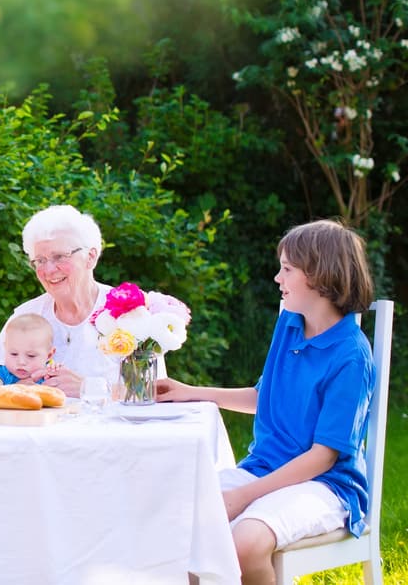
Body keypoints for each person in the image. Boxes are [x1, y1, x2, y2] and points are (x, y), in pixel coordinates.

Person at [156, 219, 375, 585]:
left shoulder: (351, 356)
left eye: (287, 269)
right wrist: (190, 390)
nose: (277, 278)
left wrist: (245, 496)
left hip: (326, 485)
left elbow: (324, 456)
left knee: (245, 543)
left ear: (321, 276)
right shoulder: (290, 322)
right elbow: (265, 398)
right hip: (265, 468)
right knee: (177, 519)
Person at [0, 205, 167, 397]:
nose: (49, 270)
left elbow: (154, 392)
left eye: (59, 257)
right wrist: (19, 388)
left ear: (90, 257)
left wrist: (88, 388)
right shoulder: (26, 316)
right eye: (40, 260)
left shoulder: (129, 314)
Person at [0, 313, 58, 385]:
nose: (21, 362)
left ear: (49, 355)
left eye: (31, 355)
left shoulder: (49, 375)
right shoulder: (2, 372)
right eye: (14, 354)